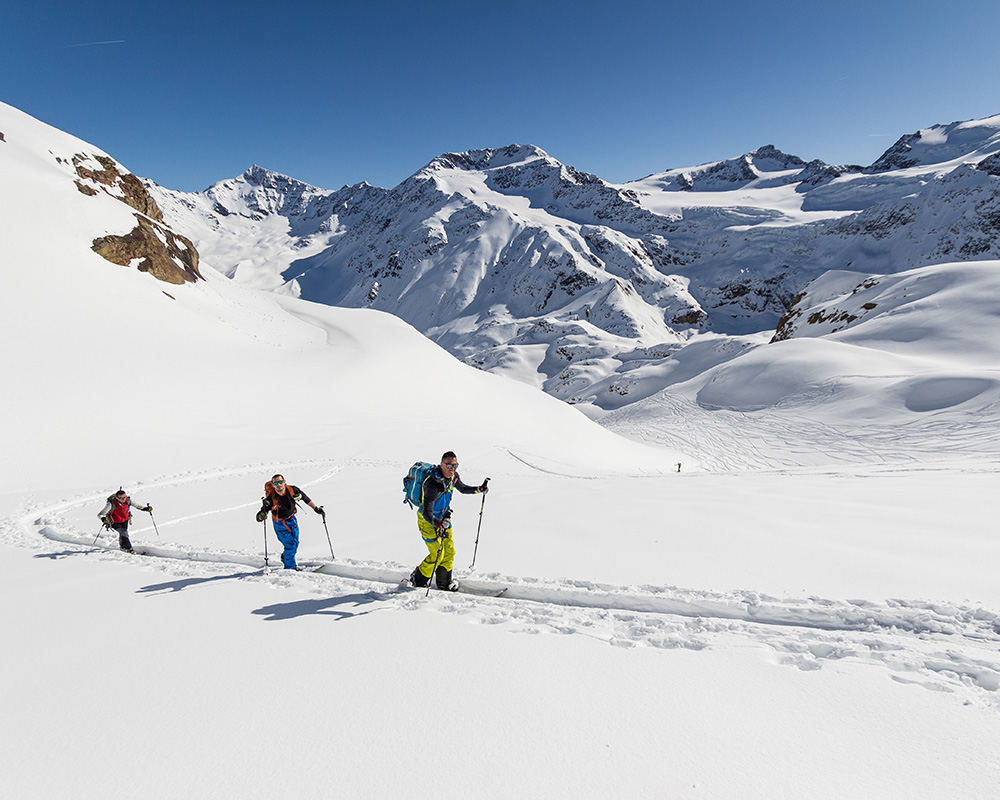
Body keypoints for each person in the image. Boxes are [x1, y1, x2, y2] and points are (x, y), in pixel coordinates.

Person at [409, 451, 489, 591]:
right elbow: (426, 512)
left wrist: (478, 489)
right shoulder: (432, 485)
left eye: (455, 465)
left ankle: (444, 583)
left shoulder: (453, 477)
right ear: (442, 464)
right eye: (449, 465)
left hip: (444, 518)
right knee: (437, 554)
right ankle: (417, 579)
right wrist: (438, 524)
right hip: (427, 522)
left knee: (449, 551)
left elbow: (463, 488)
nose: (453, 469)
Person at [256, 474, 324, 570]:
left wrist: (316, 508)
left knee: (295, 543)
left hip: (292, 519)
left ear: (284, 482)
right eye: (275, 483)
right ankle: (290, 568)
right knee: (290, 545)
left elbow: (305, 498)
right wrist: (261, 516)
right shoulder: (271, 498)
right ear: (273, 485)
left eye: (280, 482)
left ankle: (286, 557)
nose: (278, 484)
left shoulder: (293, 490)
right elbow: (260, 515)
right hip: (280, 524)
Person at [98, 488, 152, 553]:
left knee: (123, 534)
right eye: (121, 498)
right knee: (124, 533)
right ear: (117, 498)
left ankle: (123, 547)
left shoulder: (128, 500)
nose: (123, 499)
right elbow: (100, 514)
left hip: (125, 520)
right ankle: (129, 549)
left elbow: (137, 505)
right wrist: (104, 519)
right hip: (114, 522)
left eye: (124, 497)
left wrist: (145, 508)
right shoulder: (111, 504)